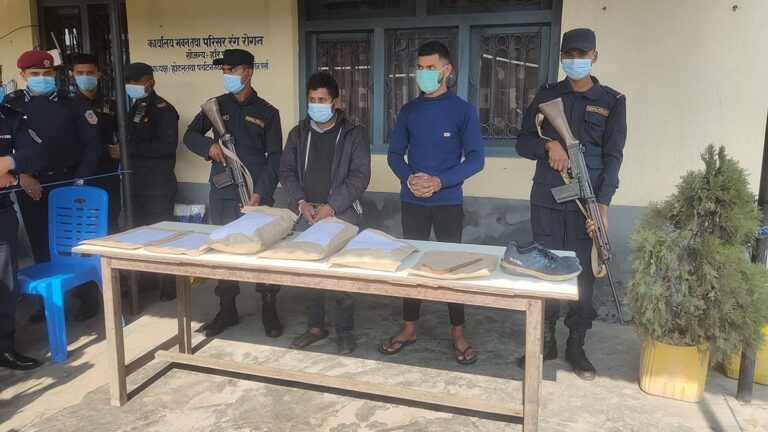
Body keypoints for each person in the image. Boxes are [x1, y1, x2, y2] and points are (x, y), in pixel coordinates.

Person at [515, 28, 627, 380]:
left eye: (582, 55)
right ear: (562, 57)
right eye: (569, 55)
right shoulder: (547, 95)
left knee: (584, 276)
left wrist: (602, 206)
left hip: (587, 201)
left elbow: (613, 156)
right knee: (544, 269)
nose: (575, 60)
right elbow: (522, 141)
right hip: (547, 197)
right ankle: (545, 340)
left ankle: (575, 345)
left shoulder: (612, 101)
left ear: (595, 57)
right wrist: (548, 145)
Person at [382, 41, 485, 365]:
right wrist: (409, 179)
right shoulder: (409, 111)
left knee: (451, 267)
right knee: (412, 264)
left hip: (448, 202)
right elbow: (394, 154)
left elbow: (476, 159)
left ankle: (458, 332)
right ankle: (409, 327)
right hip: (412, 200)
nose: (424, 73)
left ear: (446, 70)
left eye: (430, 68)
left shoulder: (463, 110)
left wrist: (440, 181)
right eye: (420, 68)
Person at [184, 49, 284, 338]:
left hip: (256, 192)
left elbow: (276, 157)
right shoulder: (214, 106)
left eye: (233, 69)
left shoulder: (267, 112)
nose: (227, 74)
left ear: (248, 72)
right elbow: (189, 135)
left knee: (263, 253)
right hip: (223, 192)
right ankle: (227, 309)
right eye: (224, 70)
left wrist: (261, 193)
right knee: (223, 251)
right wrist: (209, 147)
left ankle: (269, 308)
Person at [3, 50, 102, 323]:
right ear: (23, 76)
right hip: (31, 184)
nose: (42, 78)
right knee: (40, 243)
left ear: (55, 74)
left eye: (47, 74)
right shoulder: (12, 106)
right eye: (35, 74)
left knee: (76, 243)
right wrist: (22, 176)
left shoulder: (72, 104)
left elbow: (93, 146)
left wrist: (79, 182)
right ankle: (47, 304)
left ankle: (87, 298)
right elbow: (7, 147)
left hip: (69, 182)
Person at [280, 71, 371, 354]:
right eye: (312, 99)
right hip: (307, 214)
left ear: (335, 102)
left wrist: (332, 206)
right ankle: (315, 327)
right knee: (312, 274)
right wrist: (301, 203)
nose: (316, 105)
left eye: (322, 100)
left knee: (343, 275)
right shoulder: (298, 134)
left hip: (341, 213)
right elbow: (287, 171)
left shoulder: (353, 134)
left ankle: (344, 330)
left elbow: (360, 176)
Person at [67, 53, 122, 321]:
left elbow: (125, 134)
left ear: (99, 73)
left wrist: (122, 149)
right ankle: (86, 298)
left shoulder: (111, 104)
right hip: (79, 177)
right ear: (72, 75)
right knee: (82, 238)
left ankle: (114, 291)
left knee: (110, 232)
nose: (85, 77)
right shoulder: (67, 105)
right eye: (80, 72)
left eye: (90, 72)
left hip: (107, 176)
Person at [123, 62, 180, 302]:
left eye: (137, 82)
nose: (132, 86)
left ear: (151, 82)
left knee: (163, 236)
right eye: (129, 82)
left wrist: (127, 150)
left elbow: (166, 147)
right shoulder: (134, 107)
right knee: (141, 234)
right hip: (136, 184)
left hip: (158, 185)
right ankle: (146, 280)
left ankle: (170, 283)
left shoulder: (163, 110)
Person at [0, 102, 46, 370]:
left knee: (6, 286)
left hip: (1, 214)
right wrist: (16, 178)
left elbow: (37, 153)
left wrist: (8, 163)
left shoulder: (10, 117)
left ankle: (5, 348)